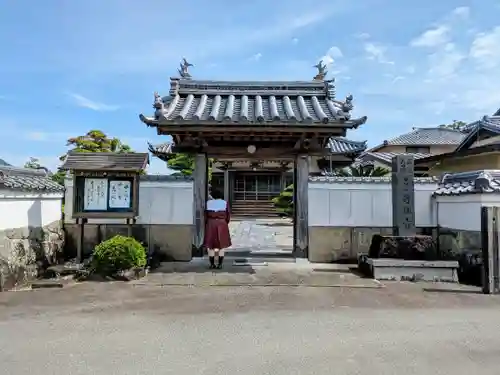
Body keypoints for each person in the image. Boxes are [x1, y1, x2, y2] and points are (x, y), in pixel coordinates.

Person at [203, 190, 232, 269]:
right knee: (221, 245)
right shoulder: (225, 203)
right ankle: (220, 264)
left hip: (210, 223)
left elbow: (205, 216)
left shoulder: (208, 203)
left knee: (211, 245)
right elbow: (228, 215)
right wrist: (224, 222)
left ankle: (212, 264)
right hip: (222, 224)